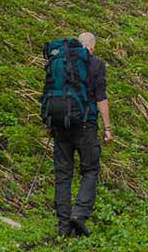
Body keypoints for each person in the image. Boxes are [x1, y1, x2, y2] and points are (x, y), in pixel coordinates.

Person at [53, 32, 112, 238]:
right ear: (92, 47)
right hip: (86, 125)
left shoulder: (61, 62)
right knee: (90, 170)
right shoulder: (96, 64)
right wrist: (107, 128)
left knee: (63, 176)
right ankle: (79, 213)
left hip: (60, 125)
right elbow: (101, 98)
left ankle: (63, 227)